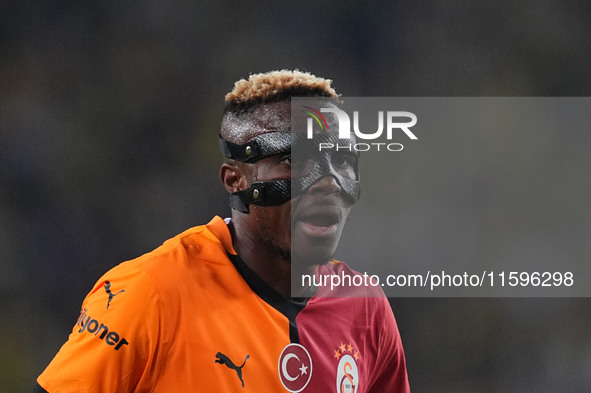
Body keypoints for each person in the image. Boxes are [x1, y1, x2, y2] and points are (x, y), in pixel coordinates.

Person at [32, 70, 410, 392]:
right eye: (294, 159)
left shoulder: (366, 309)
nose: (328, 181)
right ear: (235, 179)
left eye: (342, 159)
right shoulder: (149, 292)